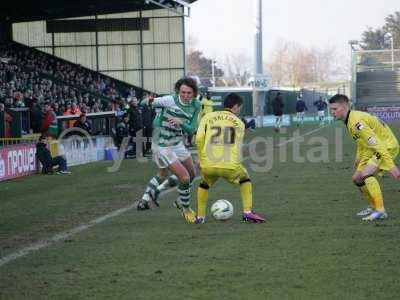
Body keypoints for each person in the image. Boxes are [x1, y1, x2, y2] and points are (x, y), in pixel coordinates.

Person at [136, 77, 201, 223]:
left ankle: (150, 196)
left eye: (189, 93)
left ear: (194, 93)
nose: (185, 95)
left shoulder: (197, 105)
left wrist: (181, 123)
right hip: (162, 144)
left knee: (190, 174)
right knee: (184, 177)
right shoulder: (169, 100)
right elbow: (144, 103)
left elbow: (191, 130)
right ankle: (186, 209)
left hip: (177, 143)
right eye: (183, 92)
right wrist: (149, 101)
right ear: (178, 90)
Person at [195, 93, 266, 224]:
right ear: (235, 106)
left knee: (204, 184)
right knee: (245, 179)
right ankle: (247, 213)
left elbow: (199, 139)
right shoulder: (239, 123)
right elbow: (237, 146)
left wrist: (200, 157)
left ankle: (200, 217)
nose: (239, 110)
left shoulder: (207, 117)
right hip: (229, 166)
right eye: (239, 107)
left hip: (208, 164)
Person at [329, 94, 400, 221]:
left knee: (366, 174)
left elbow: (376, 143)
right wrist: (358, 158)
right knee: (357, 179)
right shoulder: (350, 119)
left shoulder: (356, 122)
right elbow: (362, 141)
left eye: (335, 109)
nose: (332, 112)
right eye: (331, 109)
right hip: (372, 147)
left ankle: (380, 210)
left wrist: (391, 166)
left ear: (344, 107)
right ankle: (373, 207)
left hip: (386, 145)